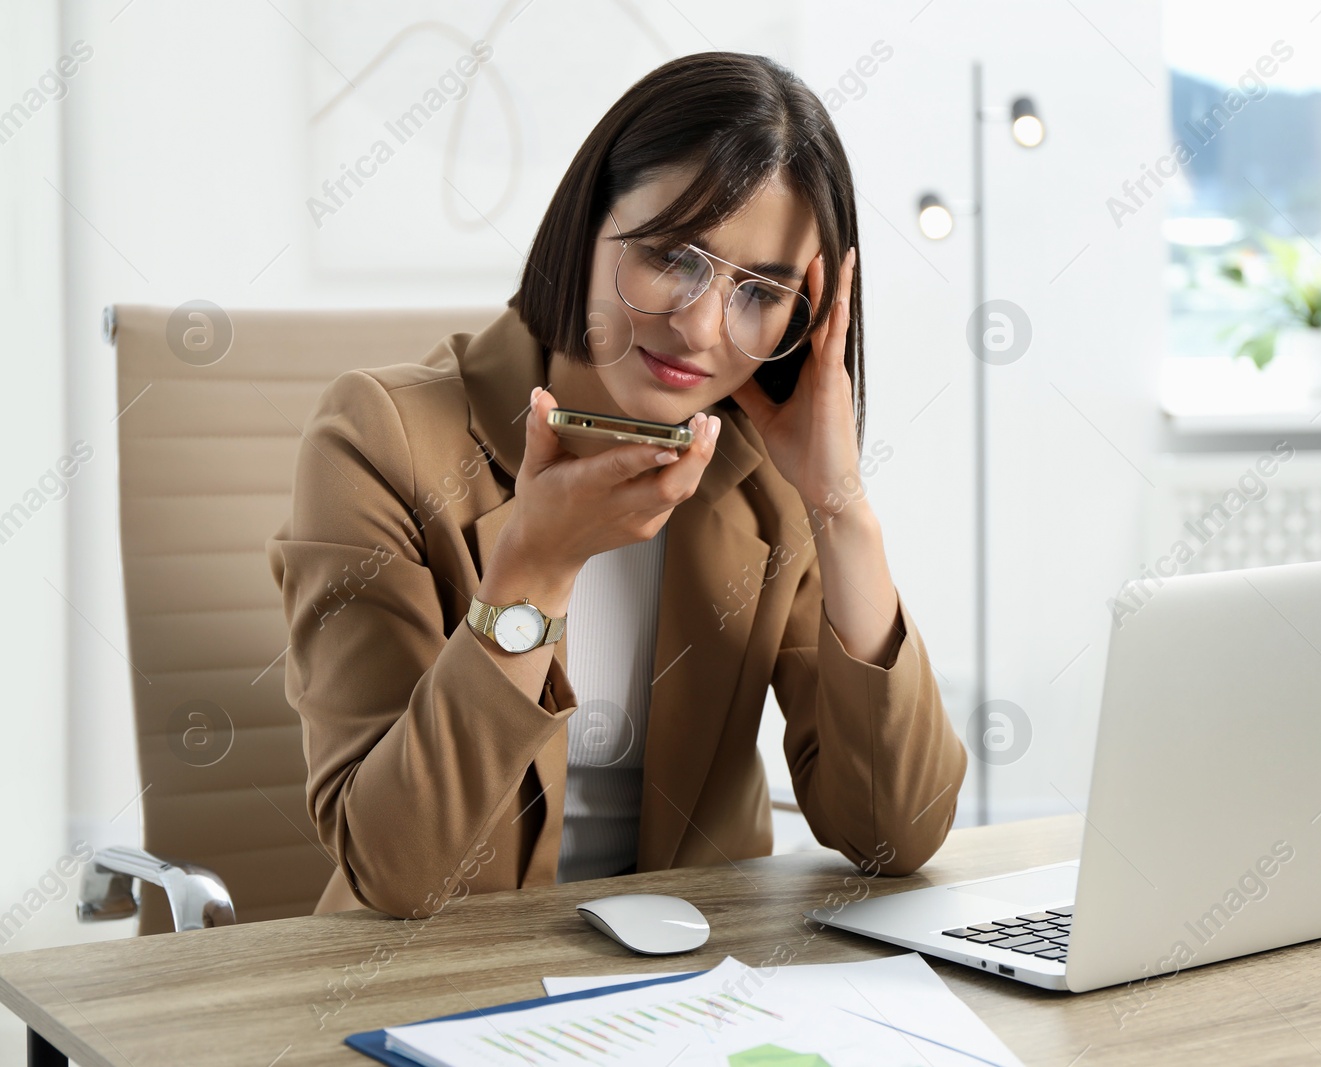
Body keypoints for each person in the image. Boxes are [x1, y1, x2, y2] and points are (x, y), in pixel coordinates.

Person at [267, 51, 967, 920]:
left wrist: (841, 506)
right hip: (433, 994)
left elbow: (895, 835)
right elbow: (395, 870)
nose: (703, 327)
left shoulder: (765, 471)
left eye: (761, 291)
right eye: (675, 256)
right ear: (586, 221)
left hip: (695, 989)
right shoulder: (380, 440)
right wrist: (534, 568)